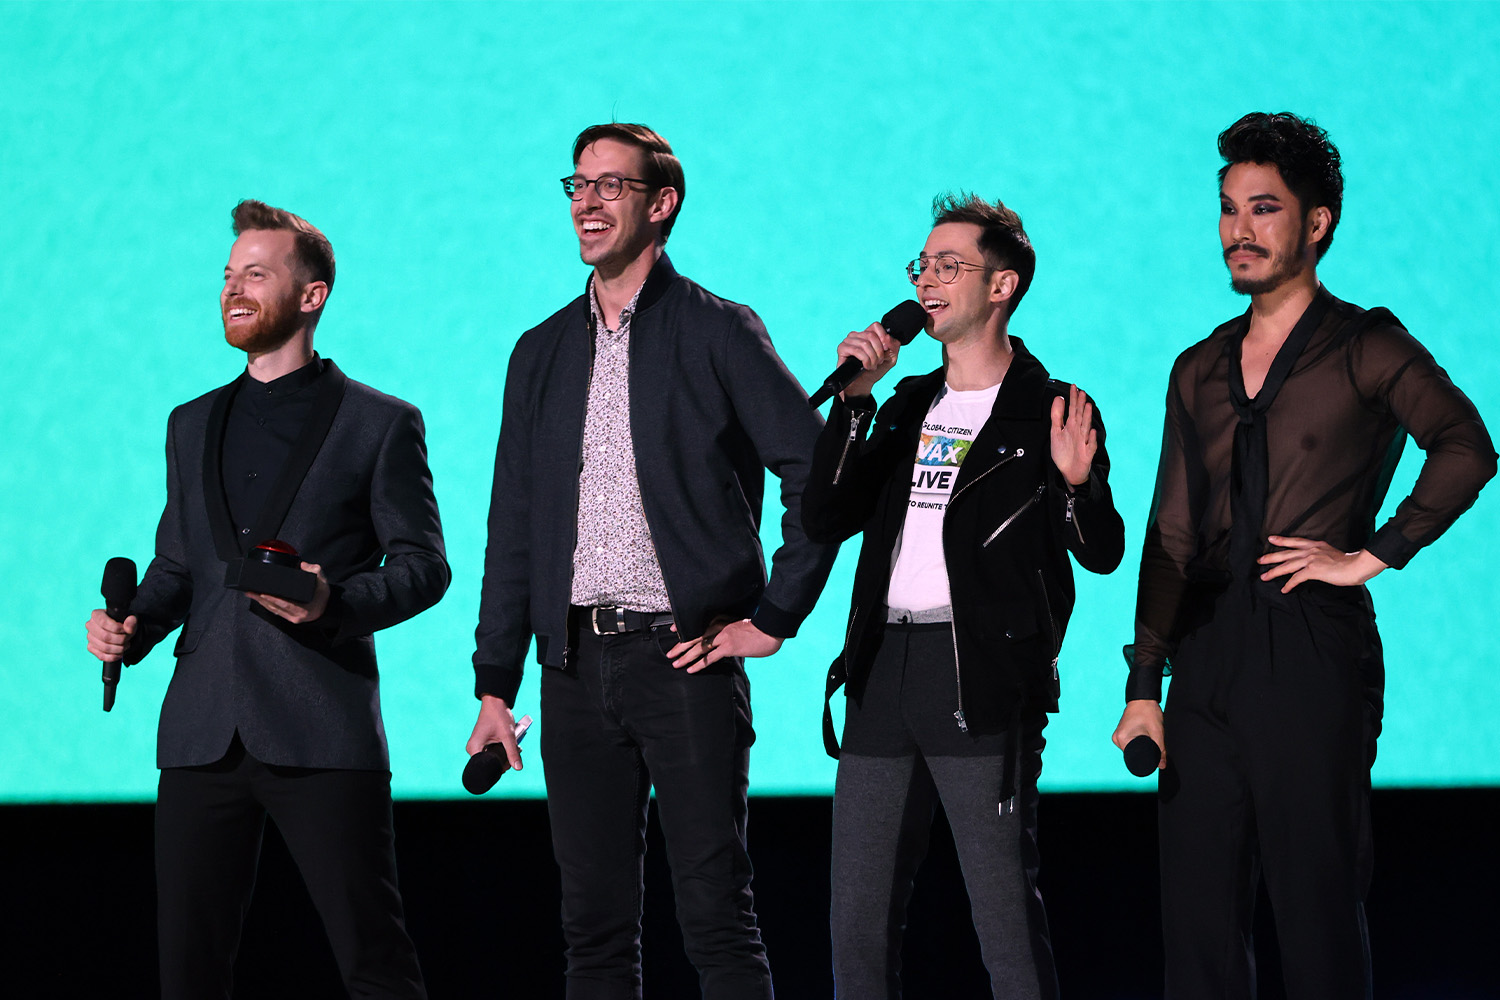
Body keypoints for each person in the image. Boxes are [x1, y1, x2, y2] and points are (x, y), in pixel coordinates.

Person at [1112, 112, 1496, 999]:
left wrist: (1373, 553)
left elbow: (1466, 445)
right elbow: (1171, 532)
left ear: (1316, 222)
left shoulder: (1364, 343)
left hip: (1313, 652)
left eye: (1264, 209)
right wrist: (1143, 685)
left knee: (1316, 920)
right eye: (1227, 210)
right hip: (1205, 661)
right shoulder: (1196, 367)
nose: (1239, 231)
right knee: (1197, 935)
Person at [465, 123, 837, 1000]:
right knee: (593, 933)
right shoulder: (541, 352)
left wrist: (774, 618)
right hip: (572, 668)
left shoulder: (717, 331)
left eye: (610, 187)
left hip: (683, 658)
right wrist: (495, 685)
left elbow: (819, 478)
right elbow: (513, 527)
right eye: (577, 186)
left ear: (661, 204)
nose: (587, 204)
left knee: (716, 919)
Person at [84, 200, 446, 999]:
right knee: (189, 970)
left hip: (322, 726)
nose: (233, 290)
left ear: (311, 296)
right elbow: (180, 565)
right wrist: (130, 627)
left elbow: (425, 567)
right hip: (201, 732)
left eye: (256, 273)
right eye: (227, 275)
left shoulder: (379, 423)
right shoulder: (191, 422)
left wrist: (333, 605)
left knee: (373, 960)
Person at [802, 193, 1125, 999]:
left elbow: (1104, 552)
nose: (928, 281)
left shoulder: (1050, 408)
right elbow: (827, 515)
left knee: (1004, 920)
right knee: (857, 925)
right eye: (923, 266)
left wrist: (1080, 486)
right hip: (884, 670)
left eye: (950, 266)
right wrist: (853, 406)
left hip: (978, 673)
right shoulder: (908, 403)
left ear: (1003, 285)